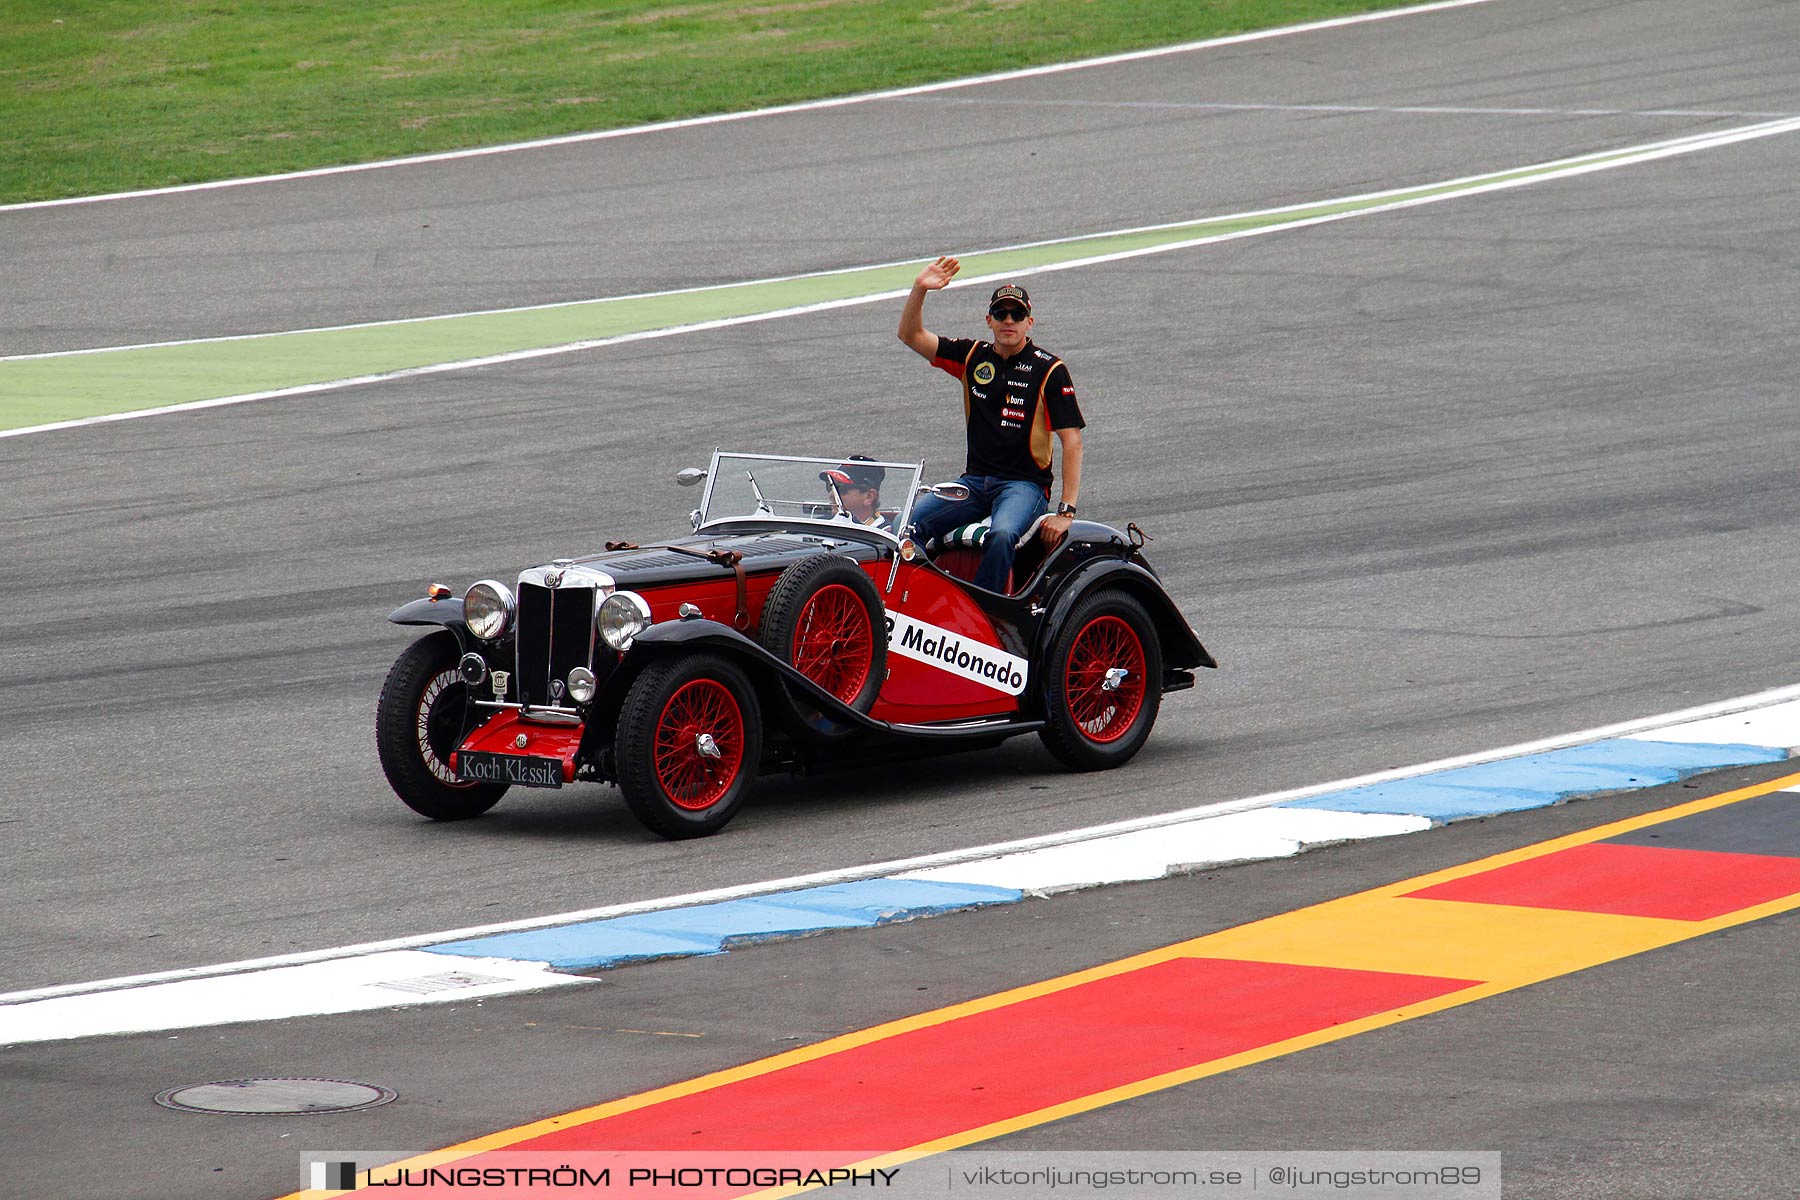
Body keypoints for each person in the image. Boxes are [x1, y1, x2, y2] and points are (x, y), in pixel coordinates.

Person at [897, 256, 1085, 593]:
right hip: (973, 482)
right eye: (1001, 314)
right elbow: (909, 335)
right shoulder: (972, 357)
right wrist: (919, 289)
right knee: (904, 529)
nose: (1008, 320)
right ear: (989, 320)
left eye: (1017, 314)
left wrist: (1066, 512)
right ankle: (926, 603)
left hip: (1024, 486)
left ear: (1030, 322)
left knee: (1001, 535)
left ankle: (985, 613)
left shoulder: (1051, 371)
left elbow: (1072, 442)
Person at [820, 455, 892, 530]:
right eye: (830, 486)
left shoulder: (882, 533)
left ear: (869, 496)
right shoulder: (821, 523)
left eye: (840, 488)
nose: (831, 494)